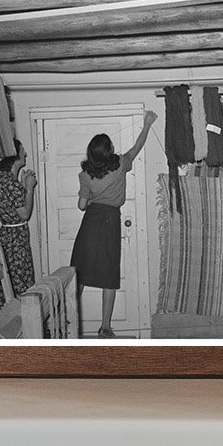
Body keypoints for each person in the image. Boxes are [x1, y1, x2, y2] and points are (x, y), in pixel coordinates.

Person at [70, 111, 157, 337]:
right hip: (110, 221)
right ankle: (105, 327)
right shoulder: (120, 164)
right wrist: (147, 124)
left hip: (90, 222)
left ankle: (68, 323)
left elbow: (81, 206)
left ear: (91, 153)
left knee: (79, 272)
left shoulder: (84, 175)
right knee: (108, 273)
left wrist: (90, 197)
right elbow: (137, 147)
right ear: (109, 151)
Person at [0, 139, 37, 309]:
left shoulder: (3, 179)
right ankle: (22, 325)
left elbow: (14, 205)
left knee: (9, 282)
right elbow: (24, 214)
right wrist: (29, 188)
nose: (25, 154)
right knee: (20, 280)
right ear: (14, 155)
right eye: (22, 150)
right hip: (15, 239)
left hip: (9, 236)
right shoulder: (10, 182)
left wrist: (23, 186)